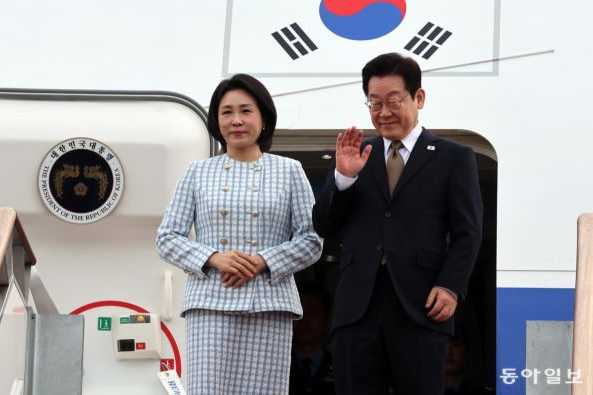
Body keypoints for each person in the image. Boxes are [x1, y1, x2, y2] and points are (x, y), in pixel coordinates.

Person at [312, 53, 483, 395]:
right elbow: (324, 226)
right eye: (374, 103)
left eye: (393, 101)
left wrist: (450, 285)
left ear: (419, 97)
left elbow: (468, 230)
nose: (383, 112)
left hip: (423, 306)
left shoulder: (453, 157)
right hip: (357, 309)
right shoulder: (356, 156)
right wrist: (344, 179)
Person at [156, 74, 322, 395]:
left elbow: (311, 240)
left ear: (264, 118)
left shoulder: (290, 171)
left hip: (269, 304)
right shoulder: (197, 172)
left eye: (246, 111)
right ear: (216, 121)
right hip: (209, 304)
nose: (236, 120)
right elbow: (167, 238)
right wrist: (214, 257)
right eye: (227, 112)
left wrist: (263, 261)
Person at [289, 282, 335, 395]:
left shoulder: (341, 368)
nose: (304, 320)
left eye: (313, 313)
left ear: (326, 318)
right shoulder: (278, 366)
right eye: (298, 312)